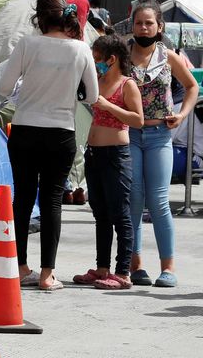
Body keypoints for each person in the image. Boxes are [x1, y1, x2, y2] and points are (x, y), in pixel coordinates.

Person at [0, 0, 98, 290]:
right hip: (61, 131)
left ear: (38, 18)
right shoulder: (80, 50)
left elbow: (3, 86)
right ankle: (47, 274)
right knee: (52, 201)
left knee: (24, 199)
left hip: (26, 129)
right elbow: (92, 96)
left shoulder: (28, 44)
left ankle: (19, 267)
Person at [126, 0, 198, 288]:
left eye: (149, 23)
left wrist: (181, 114)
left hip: (159, 137)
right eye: (139, 23)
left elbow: (192, 86)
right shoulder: (122, 55)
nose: (143, 28)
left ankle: (167, 268)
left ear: (159, 27)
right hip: (129, 135)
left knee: (158, 202)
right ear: (131, 25)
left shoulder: (168, 56)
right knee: (133, 200)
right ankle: (135, 266)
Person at [73, 35, 143, 290]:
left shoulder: (127, 85)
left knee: (120, 214)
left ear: (112, 59)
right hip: (94, 154)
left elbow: (138, 120)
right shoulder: (97, 81)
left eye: (98, 60)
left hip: (116, 155)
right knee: (100, 214)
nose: (95, 64)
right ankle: (102, 268)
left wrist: (107, 106)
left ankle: (123, 272)